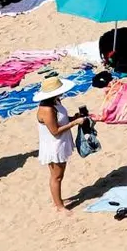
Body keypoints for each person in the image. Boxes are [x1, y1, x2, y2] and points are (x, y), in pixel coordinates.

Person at [35, 72, 90, 212]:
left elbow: (61, 120)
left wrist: (73, 118)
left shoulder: (55, 103)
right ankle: (59, 206)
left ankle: (58, 200)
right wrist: (75, 123)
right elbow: (55, 131)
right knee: (57, 176)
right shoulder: (47, 109)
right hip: (54, 145)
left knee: (59, 175)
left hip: (60, 142)